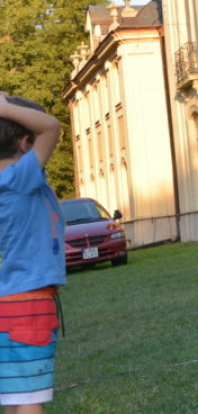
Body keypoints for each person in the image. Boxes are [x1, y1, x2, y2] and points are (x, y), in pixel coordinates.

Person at [0, 93, 64, 413]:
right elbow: (51, 127)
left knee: (15, 396)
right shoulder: (19, 177)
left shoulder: (12, 180)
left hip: (9, 302)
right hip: (27, 303)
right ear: (26, 142)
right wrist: (5, 108)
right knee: (29, 398)